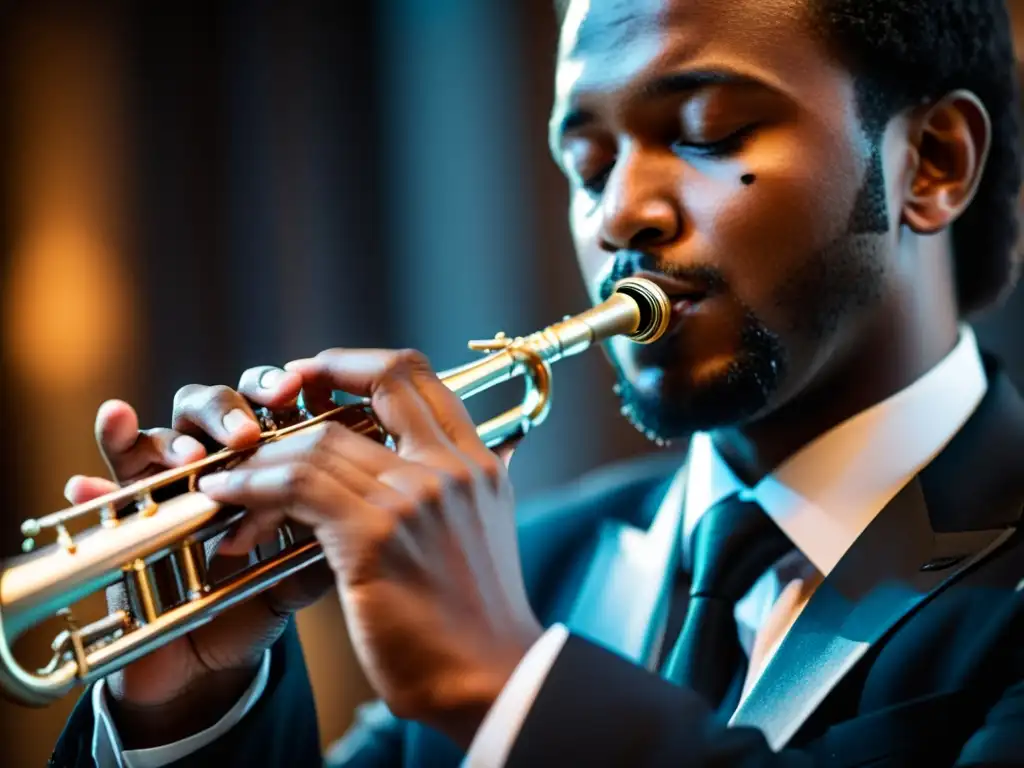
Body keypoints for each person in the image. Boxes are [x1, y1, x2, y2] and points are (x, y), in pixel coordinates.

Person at [48, 0, 1024, 765]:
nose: (615, 218)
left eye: (706, 131)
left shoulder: (485, 622)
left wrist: (503, 681)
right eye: (588, 164)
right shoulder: (528, 568)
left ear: (930, 163)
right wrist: (190, 704)